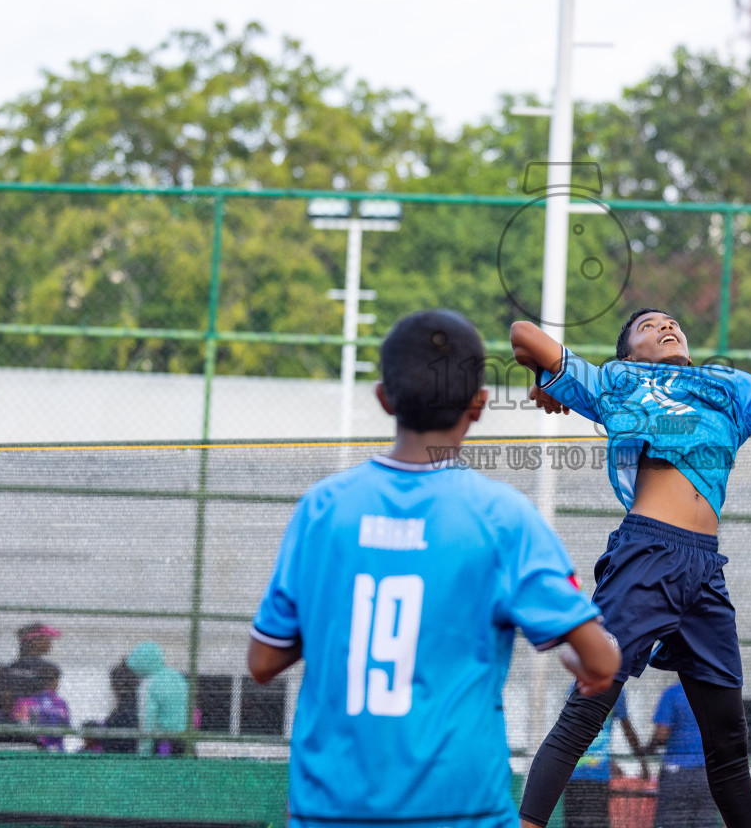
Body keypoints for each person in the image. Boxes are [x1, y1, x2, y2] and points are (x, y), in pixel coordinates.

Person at [246, 309, 620, 827]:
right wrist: (579, 662)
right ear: (480, 405)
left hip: (329, 809)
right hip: (461, 810)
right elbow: (600, 664)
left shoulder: (324, 509)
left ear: (383, 398)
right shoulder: (502, 519)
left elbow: (263, 662)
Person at [515, 278, 751, 828]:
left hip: (704, 568)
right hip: (646, 553)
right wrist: (549, 380)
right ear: (630, 352)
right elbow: (523, 333)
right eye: (648, 327)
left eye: (670, 320)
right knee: (588, 710)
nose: (666, 326)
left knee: (728, 738)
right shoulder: (619, 381)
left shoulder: (725, 387)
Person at [566, 687, 647, 828]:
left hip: (575, 773)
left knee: (575, 823)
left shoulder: (576, 686)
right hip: (595, 775)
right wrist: (643, 762)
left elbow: (566, 731)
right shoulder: (615, 689)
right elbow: (627, 729)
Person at [651, 681, 717, 828]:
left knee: (672, 821)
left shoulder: (673, 693)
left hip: (677, 773)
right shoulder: (717, 692)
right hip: (709, 774)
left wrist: (648, 748)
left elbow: (661, 734)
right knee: (705, 822)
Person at [126, 641, 189, 756]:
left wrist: (144, 753)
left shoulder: (148, 684)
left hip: (163, 743)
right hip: (186, 741)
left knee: (162, 773)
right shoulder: (178, 677)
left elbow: (147, 721)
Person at [10, 663, 71, 751]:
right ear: (55, 681)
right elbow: (67, 728)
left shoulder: (24, 702)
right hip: (56, 753)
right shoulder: (60, 703)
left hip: (33, 751)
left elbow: (19, 727)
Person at [5, 623, 61, 705]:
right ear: (36, 641)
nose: (50, 643)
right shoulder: (51, 670)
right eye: (48, 639)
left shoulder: (11, 668)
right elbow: (51, 698)